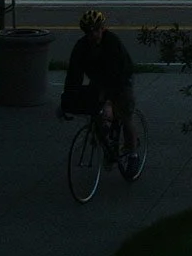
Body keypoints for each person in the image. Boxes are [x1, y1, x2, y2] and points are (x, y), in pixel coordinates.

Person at [59, 9, 138, 169]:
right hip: (99, 81)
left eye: (96, 30)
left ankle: (132, 153)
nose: (92, 35)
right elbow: (74, 75)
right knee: (97, 115)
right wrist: (66, 100)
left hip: (121, 79)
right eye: (88, 32)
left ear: (103, 28)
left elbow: (117, 74)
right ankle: (108, 143)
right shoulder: (81, 47)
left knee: (125, 114)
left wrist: (109, 102)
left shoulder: (112, 43)